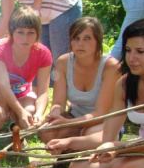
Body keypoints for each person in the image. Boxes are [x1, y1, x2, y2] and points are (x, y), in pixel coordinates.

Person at [69, 18, 144, 168]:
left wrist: (115, 148)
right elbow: (108, 136)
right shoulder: (125, 83)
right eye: (128, 50)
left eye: (140, 51)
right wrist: (75, 144)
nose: (131, 58)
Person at [40, 17, 120, 153]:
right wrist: (53, 114)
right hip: (75, 116)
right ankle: (66, 155)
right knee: (47, 132)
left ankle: (85, 154)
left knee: (88, 134)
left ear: (98, 41)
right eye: (76, 38)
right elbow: (59, 102)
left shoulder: (110, 66)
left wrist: (67, 123)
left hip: (103, 121)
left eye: (87, 38)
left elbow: (101, 113)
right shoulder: (63, 62)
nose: (80, 44)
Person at [0, 6, 52, 137]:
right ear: (12, 32)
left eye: (31, 33)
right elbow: (3, 86)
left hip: (22, 94)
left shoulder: (43, 53)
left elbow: (43, 91)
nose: (25, 38)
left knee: (30, 113)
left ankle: (14, 132)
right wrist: (20, 111)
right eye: (20, 32)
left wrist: (39, 113)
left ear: (38, 33)